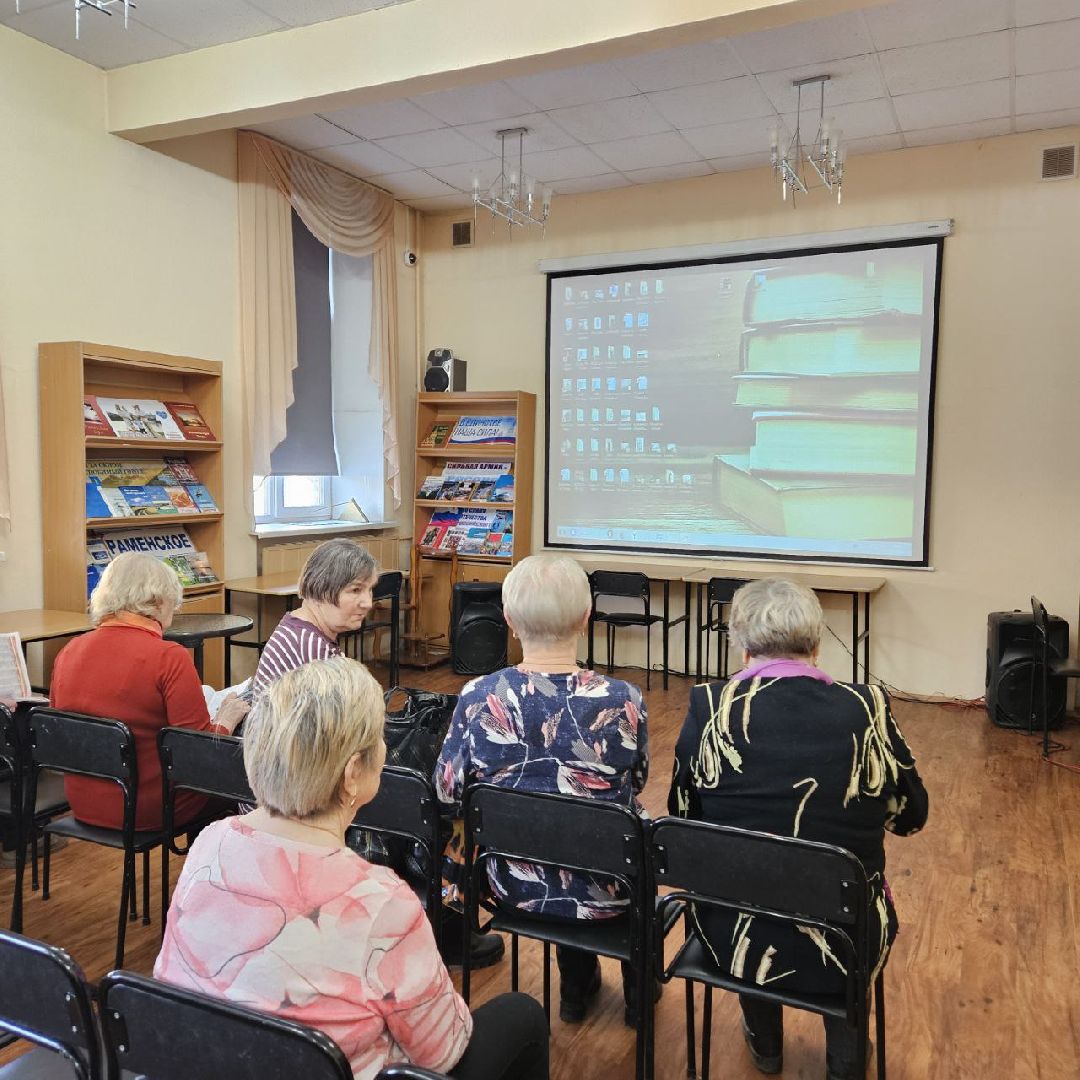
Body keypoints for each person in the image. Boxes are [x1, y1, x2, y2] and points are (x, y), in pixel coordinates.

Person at [155, 657, 549, 1080]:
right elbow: (443, 1052)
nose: (386, 748)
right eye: (379, 737)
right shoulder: (380, 903)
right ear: (352, 774)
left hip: (199, 1060)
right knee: (520, 1014)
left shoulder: (210, 843)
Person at [669, 577, 928, 1080]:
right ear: (815, 644)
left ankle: (766, 1046)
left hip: (733, 934)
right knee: (845, 903)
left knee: (747, 885)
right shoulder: (866, 706)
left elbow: (683, 820)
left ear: (740, 645)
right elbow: (910, 817)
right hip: (848, 936)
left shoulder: (710, 707)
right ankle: (846, 1058)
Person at [435, 554, 649, 1024]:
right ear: (587, 618)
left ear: (508, 621)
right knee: (637, 834)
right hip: (607, 884)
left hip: (509, 880)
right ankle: (637, 995)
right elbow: (637, 781)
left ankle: (576, 986)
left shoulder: (477, 696)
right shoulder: (624, 699)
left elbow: (446, 790)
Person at [49, 552, 249, 830]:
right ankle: (205, 869)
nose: (176, 609)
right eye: (173, 600)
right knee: (243, 781)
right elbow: (196, 753)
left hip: (84, 802)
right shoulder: (168, 656)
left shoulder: (70, 650)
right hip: (153, 808)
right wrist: (225, 722)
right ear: (156, 600)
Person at [252, 538, 377, 694]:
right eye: (356, 590)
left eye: (370, 589)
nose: (368, 603)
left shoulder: (297, 625)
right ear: (321, 589)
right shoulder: (312, 649)